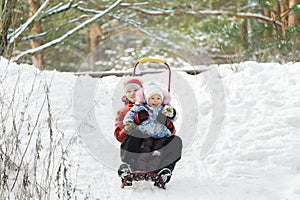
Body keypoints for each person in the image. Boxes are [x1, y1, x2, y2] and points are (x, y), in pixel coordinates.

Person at [122, 83, 182, 188]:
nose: (155, 101)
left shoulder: (165, 108)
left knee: (169, 145)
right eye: (152, 98)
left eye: (158, 98)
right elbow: (129, 117)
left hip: (162, 136)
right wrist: (132, 123)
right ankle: (129, 167)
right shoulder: (140, 107)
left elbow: (174, 115)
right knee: (143, 150)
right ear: (146, 99)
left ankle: (164, 170)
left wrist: (170, 115)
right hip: (144, 136)